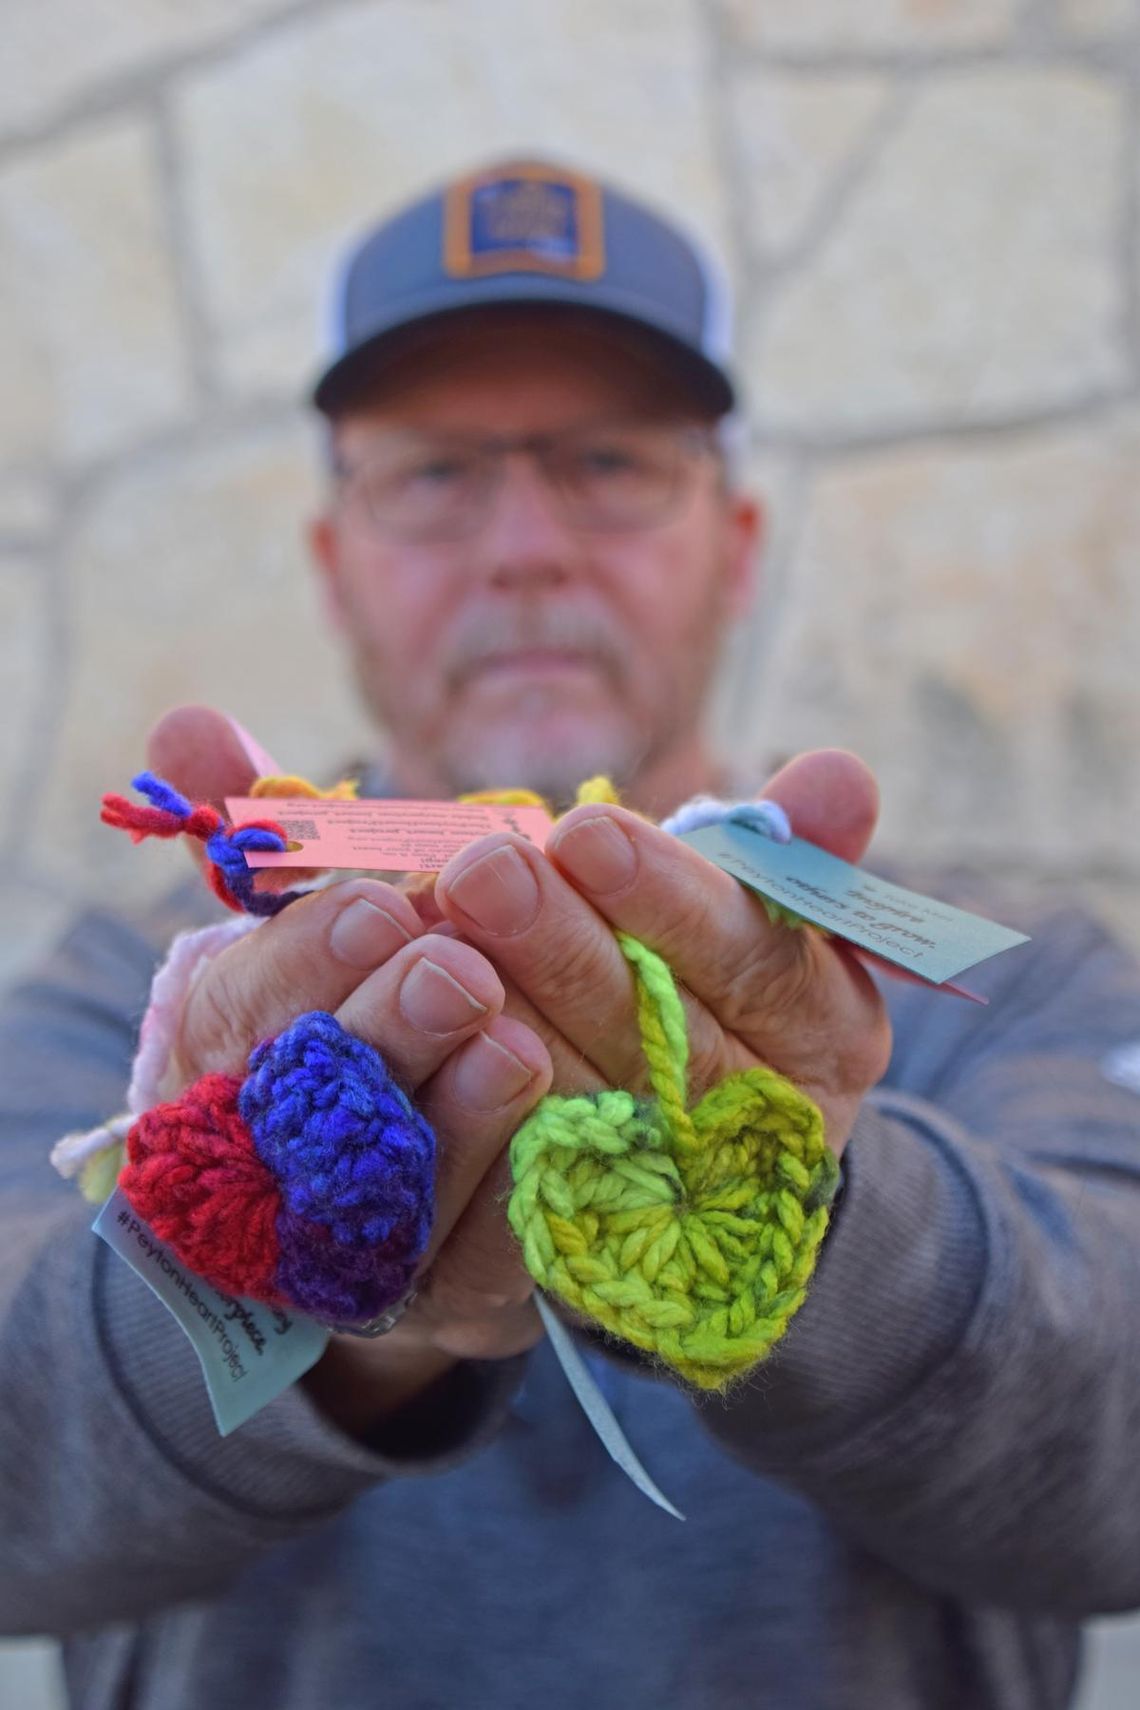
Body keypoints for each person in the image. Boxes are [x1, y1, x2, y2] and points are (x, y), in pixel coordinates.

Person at [1, 157, 1138, 1710]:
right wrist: (284, 1270)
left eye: (608, 463)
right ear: (335, 563)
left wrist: (792, 1216)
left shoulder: (1003, 976)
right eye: (436, 475)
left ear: (735, 542)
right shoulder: (117, 991)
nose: (525, 544)